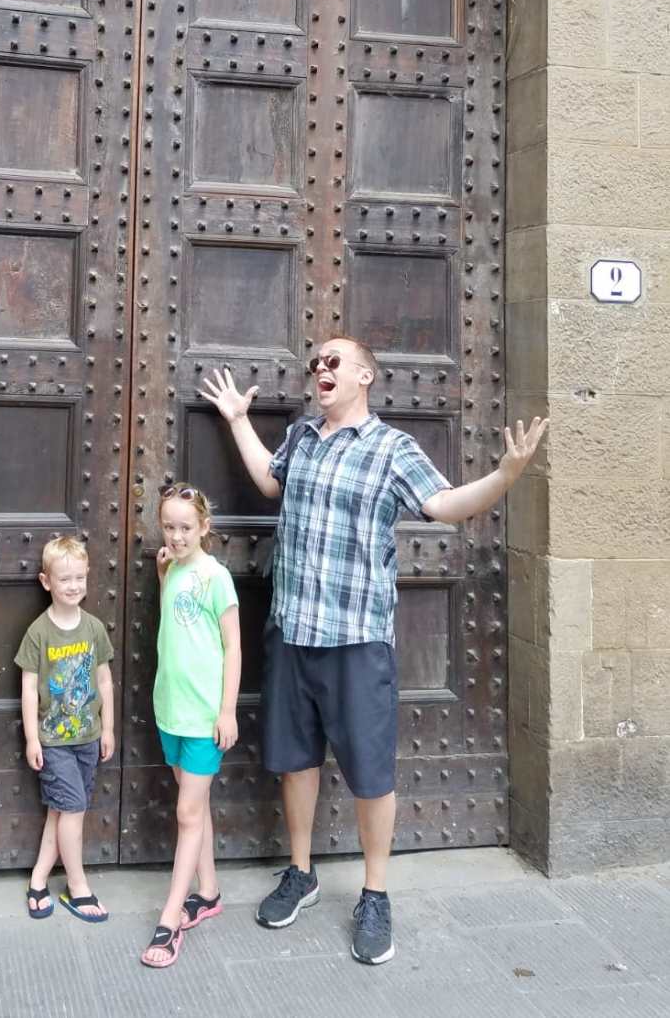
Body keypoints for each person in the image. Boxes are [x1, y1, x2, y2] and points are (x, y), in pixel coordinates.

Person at [200, 337, 547, 966]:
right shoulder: (302, 437)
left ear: (365, 375)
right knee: (296, 763)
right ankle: (301, 873)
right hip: (293, 629)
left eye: (334, 361)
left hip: (357, 639)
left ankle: (376, 894)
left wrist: (505, 476)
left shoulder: (392, 448)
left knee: (370, 774)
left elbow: (444, 505)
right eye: (316, 363)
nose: (321, 369)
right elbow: (270, 481)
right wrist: (239, 420)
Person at [141, 483, 242, 968]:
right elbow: (173, 627)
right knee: (195, 805)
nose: (176, 536)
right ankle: (209, 891)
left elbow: (233, 646)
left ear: (204, 527)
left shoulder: (216, 577)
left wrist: (227, 710)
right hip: (171, 710)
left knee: (186, 812)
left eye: (185, 527)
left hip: (203, 716)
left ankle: (171, 918)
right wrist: (163, 575)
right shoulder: (175, 569)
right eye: (169, 527)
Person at [16, 535, 115, 922]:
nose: (73, 586)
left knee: (62, 812)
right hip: (54, 741)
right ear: (46, 582)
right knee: (73, 809)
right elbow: (28, 689)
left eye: (79, 578)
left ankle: (38, 879)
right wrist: (32, 738)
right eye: (64, 579)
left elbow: (104, 681)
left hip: (87, 738)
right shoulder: (39, 633)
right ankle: (78, 887)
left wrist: (108, 729)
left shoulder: (93, 628)